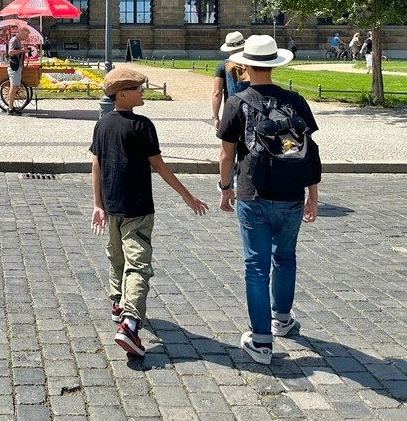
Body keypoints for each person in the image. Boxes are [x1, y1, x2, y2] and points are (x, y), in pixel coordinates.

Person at [216, 35, 321, 365]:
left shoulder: (237, 103)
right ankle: (282, 320)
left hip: (253, 192)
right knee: (285, 257)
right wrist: (313, 197)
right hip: (292, 193)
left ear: (245, 65)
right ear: (276, 65)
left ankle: (261, 341)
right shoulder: (295, 101)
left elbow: (226, 154)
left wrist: (225, 188)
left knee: (256, 266)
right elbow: (310, 153)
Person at [91, 66, 208, 358]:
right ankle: (130, 324)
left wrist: (98, 204)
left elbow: (96, 166)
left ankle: (118, 301)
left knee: (116, 257)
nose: (142, 92)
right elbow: (159, 166)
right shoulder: (143, 125)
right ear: (122, 95)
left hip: (113, 206)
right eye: (137, 89)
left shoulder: (102, 124)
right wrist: (187, 195)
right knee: (138, 265)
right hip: (138, 207)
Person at [212, 31, 246, 129]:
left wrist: (215, 117)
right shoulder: (251, 65)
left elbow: (217, 93)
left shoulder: (222, 66)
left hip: (232, 108)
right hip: (253, 108)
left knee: (229, 142)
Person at [4, 26, 30, 115]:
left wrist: (22, 50)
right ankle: (10, 108)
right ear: (22, 33)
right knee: (13, 86)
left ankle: (11, 107)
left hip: (17, 66)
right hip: (13, 67)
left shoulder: (18, 41)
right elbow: (10, 52)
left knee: (15, 87)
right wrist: (22, 50)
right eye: (26, 36)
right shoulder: (14, 40)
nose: (26, 38)